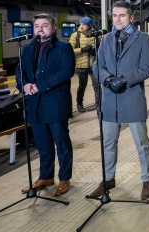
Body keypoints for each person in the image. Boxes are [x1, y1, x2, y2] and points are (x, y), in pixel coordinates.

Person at [90, 0, 149, 200]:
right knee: (108, 143)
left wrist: (124, 80)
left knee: (141, 143)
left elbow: (148, 68)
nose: (117, 19)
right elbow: (97, 66)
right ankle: (108, 179)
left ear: (131, 17)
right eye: (115, 15)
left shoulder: (144, 39)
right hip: (110, 100)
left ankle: (147, 179)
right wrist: (108, 79)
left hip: (131, 98)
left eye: (122, 16)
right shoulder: (106, 39)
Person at [16, 13, 75, 196]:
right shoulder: (27, 48)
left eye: (45, 25)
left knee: (61, 142)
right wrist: (23, 85)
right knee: (42, 143)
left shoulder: (63, 48)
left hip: (55, 102)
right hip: (35, 103)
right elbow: (19, 71)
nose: (40, 29)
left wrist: (40, 86)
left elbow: (67, 71)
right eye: (36, 26)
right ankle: (46, 176)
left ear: (53, 27)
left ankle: (64, 178)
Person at [70, 16, 100, 112]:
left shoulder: (96, 35)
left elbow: (102, 49)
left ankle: (99, 104)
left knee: (97, 86)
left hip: (94, 65)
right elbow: (69, 50)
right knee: (82, 86)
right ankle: (79, 103)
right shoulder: (76, 35)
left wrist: (95, 51)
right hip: (81, 66)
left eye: (84, 24)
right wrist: (82, 50)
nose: (81, 26)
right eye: (81, 24)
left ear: (90, 26)